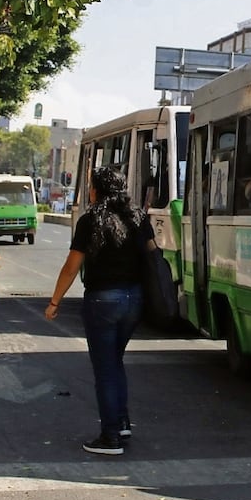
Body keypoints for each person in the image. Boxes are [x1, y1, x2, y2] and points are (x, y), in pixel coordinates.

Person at [44, 166, 156, 455]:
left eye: (91, 185)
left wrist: (55, 301)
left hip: (103, 301)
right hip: (134, 298)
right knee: (115, 362)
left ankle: (110, 437)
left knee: (106, 368)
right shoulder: (138, 217)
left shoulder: (90, 220)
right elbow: (153, 254)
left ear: (97, 190)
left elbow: (72, 266)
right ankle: (121, 422)